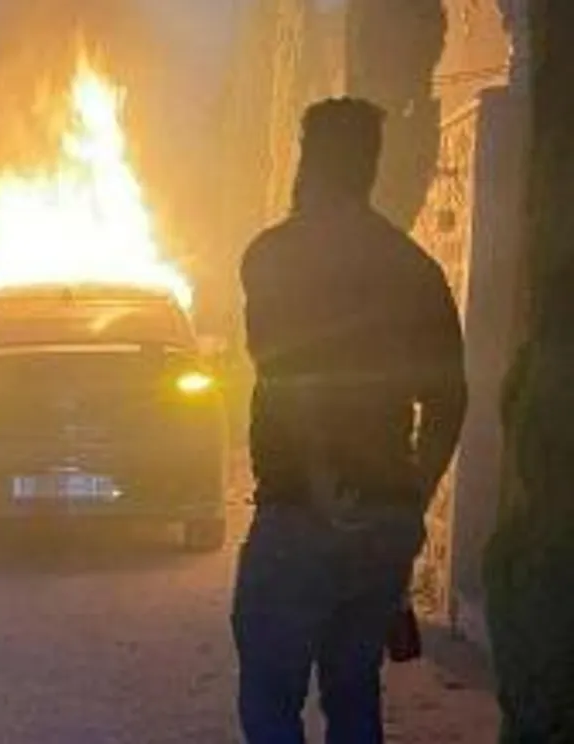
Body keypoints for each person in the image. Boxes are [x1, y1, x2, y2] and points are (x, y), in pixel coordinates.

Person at [232, 98, 468, 743]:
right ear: (370, 167)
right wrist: (410, 498)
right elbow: (450, 400)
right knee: (354, 687)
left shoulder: (274, 255)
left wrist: (319, 477)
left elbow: (288, 374)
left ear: (308, 162)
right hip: (384, 521)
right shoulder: (414, 266)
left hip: (301, 513)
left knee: (272, 695)